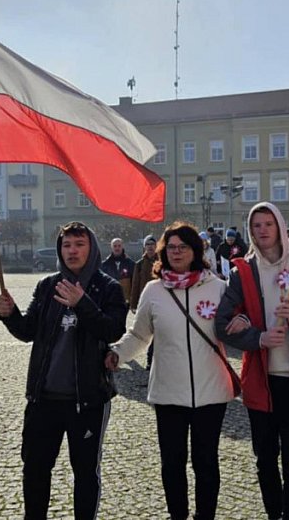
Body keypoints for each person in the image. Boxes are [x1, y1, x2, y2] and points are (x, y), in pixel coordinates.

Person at [0, 221, 128, 519]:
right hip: (44, 398)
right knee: (35, 469)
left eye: (79, 244)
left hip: (87, 399)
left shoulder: (107, 287)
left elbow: (113, 330)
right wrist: (10, 315)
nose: (72, 251)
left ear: (91, 248)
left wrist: (82, 303)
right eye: (66, 245)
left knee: (84, 473)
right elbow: (28, 330)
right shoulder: (47, 285)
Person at [215, 201, 289, 520]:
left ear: (280, 227)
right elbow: (222, 323)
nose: (262, 230)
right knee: (265, 461)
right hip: (261, 384)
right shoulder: (243, 271)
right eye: (256, 225)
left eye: (268, 224)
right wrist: (256, 337)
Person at [106, 222, 235, 520]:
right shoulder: (153, 291)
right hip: (168, 393)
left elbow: (231, 329)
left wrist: (242, 327)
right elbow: (140, 336)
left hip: (211, 391)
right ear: (163, 253)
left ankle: (206, 516)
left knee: (206, 462)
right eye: (171, 248)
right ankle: (177, 515)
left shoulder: (218, 287)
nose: (177, 252)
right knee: (172, 463)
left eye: (183, 247)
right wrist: (117, 354)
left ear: (196, 251)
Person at [131, 234, 159, 369]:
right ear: (144, 247)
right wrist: (133, 304)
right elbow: (135, 285)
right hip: (145, 302)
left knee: (159, 331)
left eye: (152, 244)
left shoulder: (163, 262)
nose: (150, 247)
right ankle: (150, 359)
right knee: (147, 331)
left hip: (160, 301)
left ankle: (154, 359)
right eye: (147, 245)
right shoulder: (139, 264)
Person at [101, 237, 135, 303]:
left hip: (126, 301)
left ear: (122, 247)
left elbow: (134, 283)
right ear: (111, 247)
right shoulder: (104, 265)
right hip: (109, 300)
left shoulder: (131, 264)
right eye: (115, 246)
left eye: (119, 246)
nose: (117, 248)